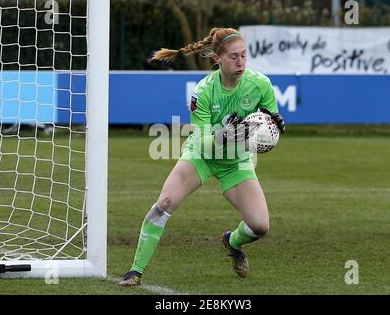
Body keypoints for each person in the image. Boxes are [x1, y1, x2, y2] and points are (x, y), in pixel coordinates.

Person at [118, 27, 286, 287]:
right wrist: (227, 136)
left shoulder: (261, 84)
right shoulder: (203, 92)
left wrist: (274, 128)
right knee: (165, 202)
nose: (240, 62)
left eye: (244, 55)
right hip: (201, 156)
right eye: (233, 57)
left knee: (260, 226)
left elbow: (268, 122)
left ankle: (232, 241)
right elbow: (205, 141)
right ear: (217, 58)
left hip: (236, 162)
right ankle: (135, 271)